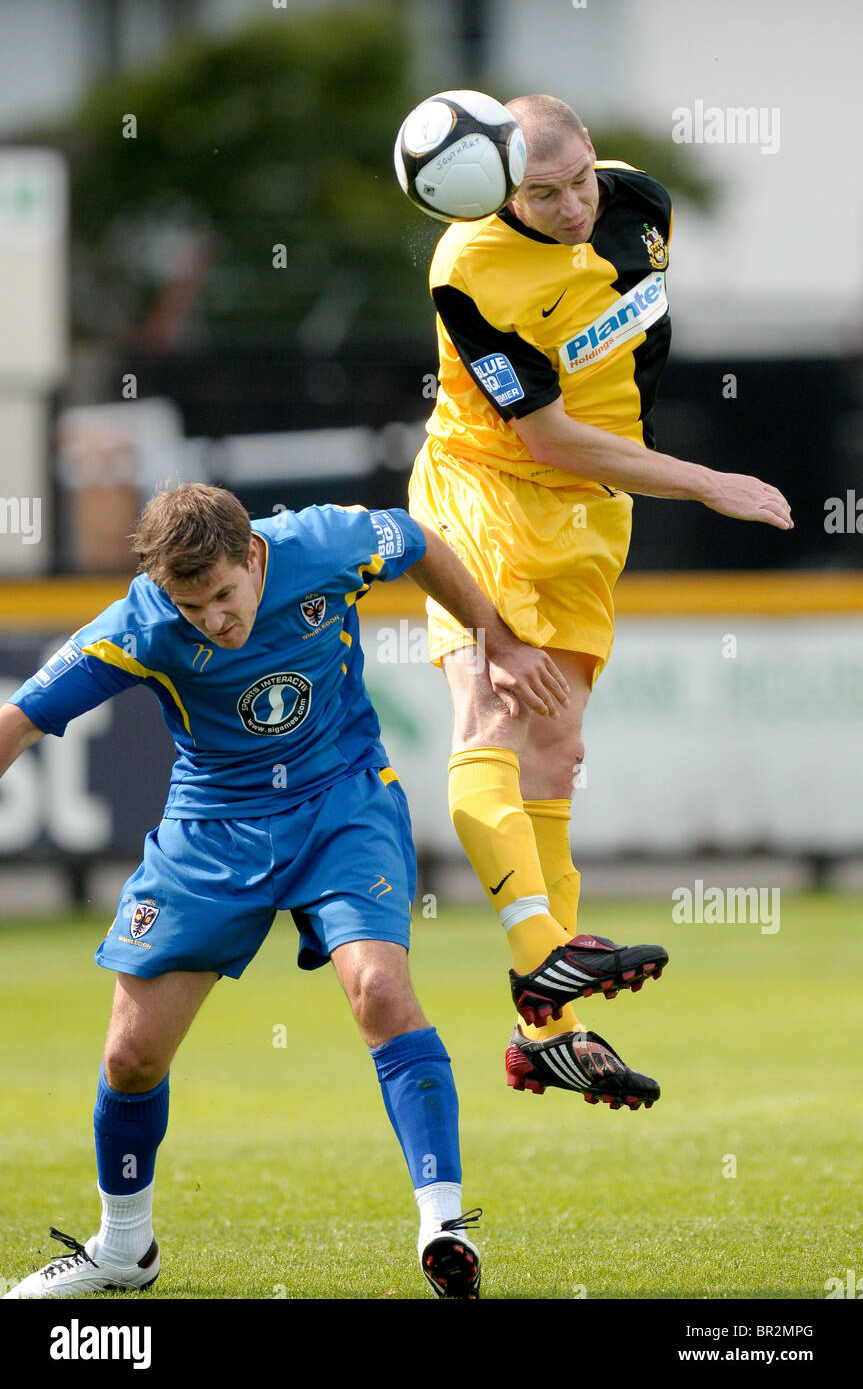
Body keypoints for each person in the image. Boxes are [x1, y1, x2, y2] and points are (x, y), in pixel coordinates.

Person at [0, 481, 570, 1302]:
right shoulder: (142, 622)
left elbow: (416, 537)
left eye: (224, 597)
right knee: (130, 1055)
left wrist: (498, 642)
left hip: (340, 800)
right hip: (215, 826)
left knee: (378, 991)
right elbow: (20, 718)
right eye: (191, 608)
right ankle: (124, 1250)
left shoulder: (328, 544)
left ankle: (441, 1226)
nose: (213, 622)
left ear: (254, 555)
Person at [408, 93, 793, 1102]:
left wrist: (650, 470)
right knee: (491, 705)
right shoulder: (468, 270)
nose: (575, 203)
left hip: (591, 508)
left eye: (580, 177)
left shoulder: (640, 205)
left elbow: (614, 368)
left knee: (557, 748)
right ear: (499, 188)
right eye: (544, 192)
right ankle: (543, 956)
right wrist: (708, 481)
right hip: (486, 487)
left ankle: (543, 1035)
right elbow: (545, 437)